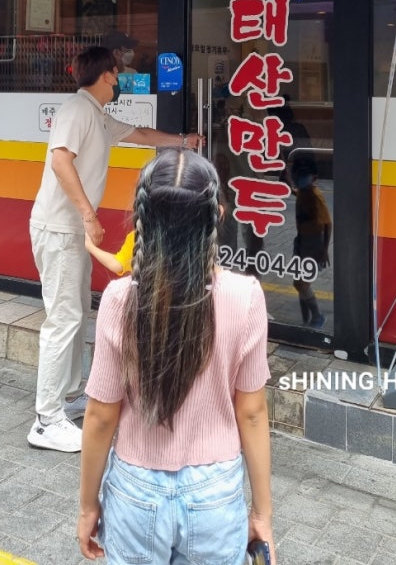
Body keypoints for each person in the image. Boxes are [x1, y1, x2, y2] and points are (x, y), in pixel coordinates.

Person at [77, 149, 275, 565]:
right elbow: (253, 413)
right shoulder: (246, 297)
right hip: (216, 494)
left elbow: (100, 416)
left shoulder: (119, 299)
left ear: (141, 219)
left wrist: (88, 504)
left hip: (135, 489)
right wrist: (261, 513)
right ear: (217, 215)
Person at [27, 45, 203, 453]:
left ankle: (68, 397)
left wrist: (183, 142)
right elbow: (60, 161)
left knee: (75, 314)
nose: (121, 78)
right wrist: (89, 215)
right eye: (118, 72)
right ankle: (46, 420)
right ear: (107, 75)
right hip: (59, 230)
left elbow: (140, 135)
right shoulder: (76, 110)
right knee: (63, 319)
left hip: (70, 232)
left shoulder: (97, 115)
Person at [290, 159, 331, 328]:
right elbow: (295, 191)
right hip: (301, 242)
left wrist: (325, 249)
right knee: (298, 280)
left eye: (304, 176)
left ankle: (317, 316)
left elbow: (328, 224)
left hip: (313, 244)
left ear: (314, 177)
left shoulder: (315, 196)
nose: (301, 178)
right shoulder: (303, 192)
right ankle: (306, 319)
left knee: (301, 283)